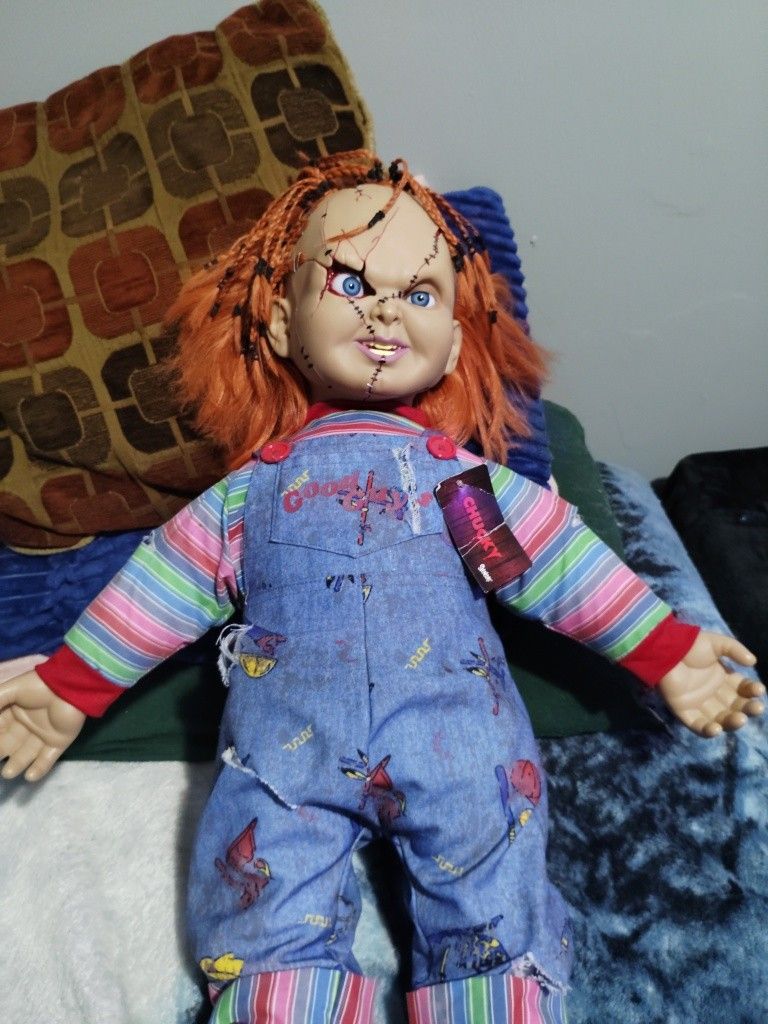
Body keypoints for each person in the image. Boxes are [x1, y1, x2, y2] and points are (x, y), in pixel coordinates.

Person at [0, 151, 763, 1024]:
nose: (387, 310)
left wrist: (664, 648)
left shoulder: (460, 485)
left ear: (454, 346)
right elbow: (160, 587)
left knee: (493, 911)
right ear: (280, 323)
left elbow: (557, 565)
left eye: (421, 294)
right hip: (288, 759)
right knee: (261, 915)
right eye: (352, 282)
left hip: (459, 746)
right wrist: (72, 685)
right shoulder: (250, 495)